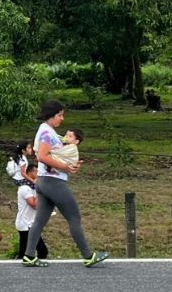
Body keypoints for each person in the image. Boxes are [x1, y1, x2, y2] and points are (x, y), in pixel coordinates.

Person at [22, 101, 109, 268]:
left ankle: (29, 255)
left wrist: (69, 166)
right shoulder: (47, 132)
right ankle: (88, 255)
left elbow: (56, 155)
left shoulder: (46, 130)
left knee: (40, 220)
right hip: (53, 183)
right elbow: (41, 156)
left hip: (43, 181)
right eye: (60, 115)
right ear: (52, 115)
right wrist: (66, 167)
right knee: (74, 217)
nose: (62, 119)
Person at [15, 164, 49, 260]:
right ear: (29, 173)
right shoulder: (25, 188)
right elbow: (34, 205)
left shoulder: (33, 187)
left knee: (24, 253)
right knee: (42, 251)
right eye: (36, 171)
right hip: (25, 224)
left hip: (30, 223)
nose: (38, 174)